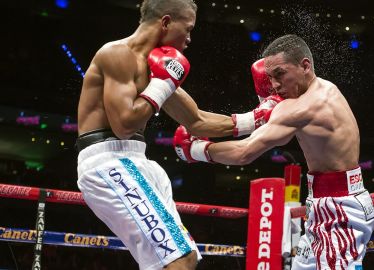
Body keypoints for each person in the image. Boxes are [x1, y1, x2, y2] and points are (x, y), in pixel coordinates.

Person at [75, 0, 281, 269]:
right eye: (188, 29)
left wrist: (257, 118)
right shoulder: (117, 54)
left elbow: (196, 121)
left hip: (138, 161)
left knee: (187, 257)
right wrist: (162, 84)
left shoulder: (158, 66)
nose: (189, 39)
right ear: (166, 22)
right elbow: (123, 125)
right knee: (177, 260)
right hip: (108, 161)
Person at [173, 34, 374, 270]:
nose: (275, 86)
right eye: (270, 78)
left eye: (280, 74)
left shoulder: (306, 106)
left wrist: (197, 150)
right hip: (325, 205)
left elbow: (244, 152)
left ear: (305, 66)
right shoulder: (321, 90)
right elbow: (255, 126)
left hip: (339, 212)